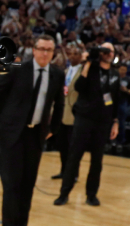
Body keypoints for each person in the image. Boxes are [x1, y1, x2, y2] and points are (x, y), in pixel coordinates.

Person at [0, 34, 62, 226]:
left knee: (27, 187)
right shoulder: (18, 69)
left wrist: (52, 128)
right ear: (34, 50)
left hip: (35, 136)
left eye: (49, 50)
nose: (45, 53)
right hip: (11, 135)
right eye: (42, 49)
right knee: (11, 187)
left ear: (53, 53)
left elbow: (59, 104)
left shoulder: (57, 74)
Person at [54, 42, 121, 206]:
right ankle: (64, 193)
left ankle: (91, 195)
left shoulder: (114, 74)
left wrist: (116, 122)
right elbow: (78, 86)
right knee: (74, 157)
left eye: (110, 50)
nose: (108, 53)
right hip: (84, 118)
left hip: (103, 122)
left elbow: (116, 100)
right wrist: (88, 62)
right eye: (104, 50)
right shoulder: (90, 68)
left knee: (97, 161)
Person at [50, 42, 84, 180]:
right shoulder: (65, 71)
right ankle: (64, 171)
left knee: (73, 147)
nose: (72, 56)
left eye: (75, 54)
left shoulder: (84, 72)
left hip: (76, 114)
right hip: (63, 113)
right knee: (62, 146)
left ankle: (73, 173)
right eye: (70, 54)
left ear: (82, 56)